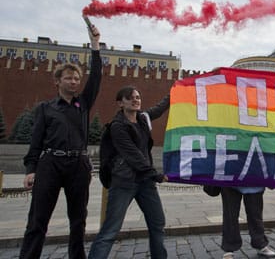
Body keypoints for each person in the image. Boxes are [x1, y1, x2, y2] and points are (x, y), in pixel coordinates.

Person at [20, 17, 102, 259]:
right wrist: (30, 169)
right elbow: (35, 141)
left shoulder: (83, 103)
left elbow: (96, 77)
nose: (74, 81)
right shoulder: (46, 108)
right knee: (37, 220)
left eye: (76, 78)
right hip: (50, 165)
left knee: (78, 221)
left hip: (78, 165)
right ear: (57, 81)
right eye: (69, 78)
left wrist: (95, 45)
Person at [88, 87, 170, 259]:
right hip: (124, 182)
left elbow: (161, 107)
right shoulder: (117, 126)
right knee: (110, 230)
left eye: (138, 97)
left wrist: (177, 89)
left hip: (145, 183)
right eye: (130, 98)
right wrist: (155, 174)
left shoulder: (143, 119)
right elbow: (132, 154)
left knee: (157, 224)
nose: (135, 100)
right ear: (120, 103)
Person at [219, 187, 275, 259]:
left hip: (254, 182)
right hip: (231, 183)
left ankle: (260, 244)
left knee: (255, 216)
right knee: (230, 217)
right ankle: (229, 249)